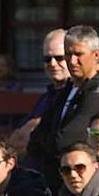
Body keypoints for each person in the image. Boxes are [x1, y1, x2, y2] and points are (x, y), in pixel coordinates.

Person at [27, 25, 99, 196]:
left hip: (88, 188)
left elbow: (65, 140)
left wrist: (45, 141)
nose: (72, 61)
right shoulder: (68, 89)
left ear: (96, 55)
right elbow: (35, 139)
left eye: (78, 54)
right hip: (56, 183)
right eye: (68, 54)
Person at [7, 29, 70, 163]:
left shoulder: (78, 95)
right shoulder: (46, 97)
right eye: (47, 59)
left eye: (59, 58)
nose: (52, 64)